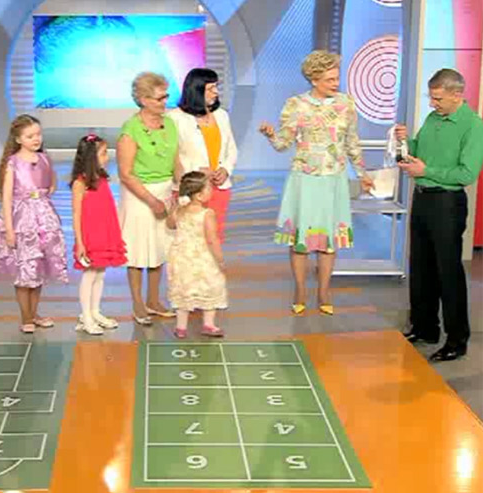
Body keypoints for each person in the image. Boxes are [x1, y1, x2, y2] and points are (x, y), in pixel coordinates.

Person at [259, 50, 374, 315]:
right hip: (305, 180)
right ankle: (300, 289)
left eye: (336, 78)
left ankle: (324, 291)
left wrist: (362, 173)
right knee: (302, 238)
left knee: (329, 239)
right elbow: (282, 144)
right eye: (330, 79)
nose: (336, 83)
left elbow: (352, 142)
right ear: (314, 79)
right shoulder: (296, 105)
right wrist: (270, 134)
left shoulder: (346, 104)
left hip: (334, 180)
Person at [396, 68, 483, 361]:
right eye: (431, 98)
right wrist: (406, 142)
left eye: (438, 99)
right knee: (420, 266)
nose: (433, 104)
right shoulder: (433, 118)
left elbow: (467, 173)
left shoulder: (473, 126)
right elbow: (419, 151)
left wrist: (427, 170)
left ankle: (457, 340)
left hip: (447, 203)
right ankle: (424, 328)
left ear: (457, 95)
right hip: (422, 199)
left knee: (448, 271)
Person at [0, 115, 68, 333]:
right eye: (30, 136)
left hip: (43, 218)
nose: (36, 139)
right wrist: (9, 230)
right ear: (18, 139)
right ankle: (26, 317)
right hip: (22, 220)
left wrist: (44, 192)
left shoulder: (44, 159)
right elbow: (6, 198)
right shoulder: (13, 163)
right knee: (25, 268)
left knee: (38, 268)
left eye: (38, 134)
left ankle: (34, 313)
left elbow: (51, 183)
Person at [117, 72, 181, 325]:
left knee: (159, 248)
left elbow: (176, 160)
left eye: (166, 96)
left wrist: (180, 188)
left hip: (165, 191)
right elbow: (125, 173)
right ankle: (138, 304)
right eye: (159, 98)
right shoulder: (130, 130)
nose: (165, 101)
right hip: (139, 195)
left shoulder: (170, 124)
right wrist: (152, 201)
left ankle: (154, 300)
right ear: (143, 100)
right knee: (137, 250)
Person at [168, 68, 237, 242]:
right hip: (190, 190)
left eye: (216, 87)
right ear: (196, 90)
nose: (216, 92)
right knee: (190, 240)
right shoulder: (175, 118)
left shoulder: (221, 115)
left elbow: (231, 149)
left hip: (218, 188)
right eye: (211, 88)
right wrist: (197, 173)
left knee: (213, 238)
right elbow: (171, 156)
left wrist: (225, 169)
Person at [70, 134, 127, 335]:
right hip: (90, 236)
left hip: (105, 232)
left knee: (100, 274)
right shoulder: (80, 183)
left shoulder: (102, 179)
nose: (107, 157)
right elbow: (76, 214)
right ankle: (86, 316)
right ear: (90, 158)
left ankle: (95, 311)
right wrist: (80, 242)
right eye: (103, 153)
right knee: (90, 274)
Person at [166, 171, 227, 339]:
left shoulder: (180, 211)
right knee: (210, 286)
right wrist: (220, 260)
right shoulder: (207, 214)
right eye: (209, 188)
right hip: (202, 257)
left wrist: (173, 207)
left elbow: (170, 225)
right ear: (199, 195)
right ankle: (209, 324)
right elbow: (212, 240)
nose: (211, 190)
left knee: (183, 289)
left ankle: (181, 327)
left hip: (181, 256)